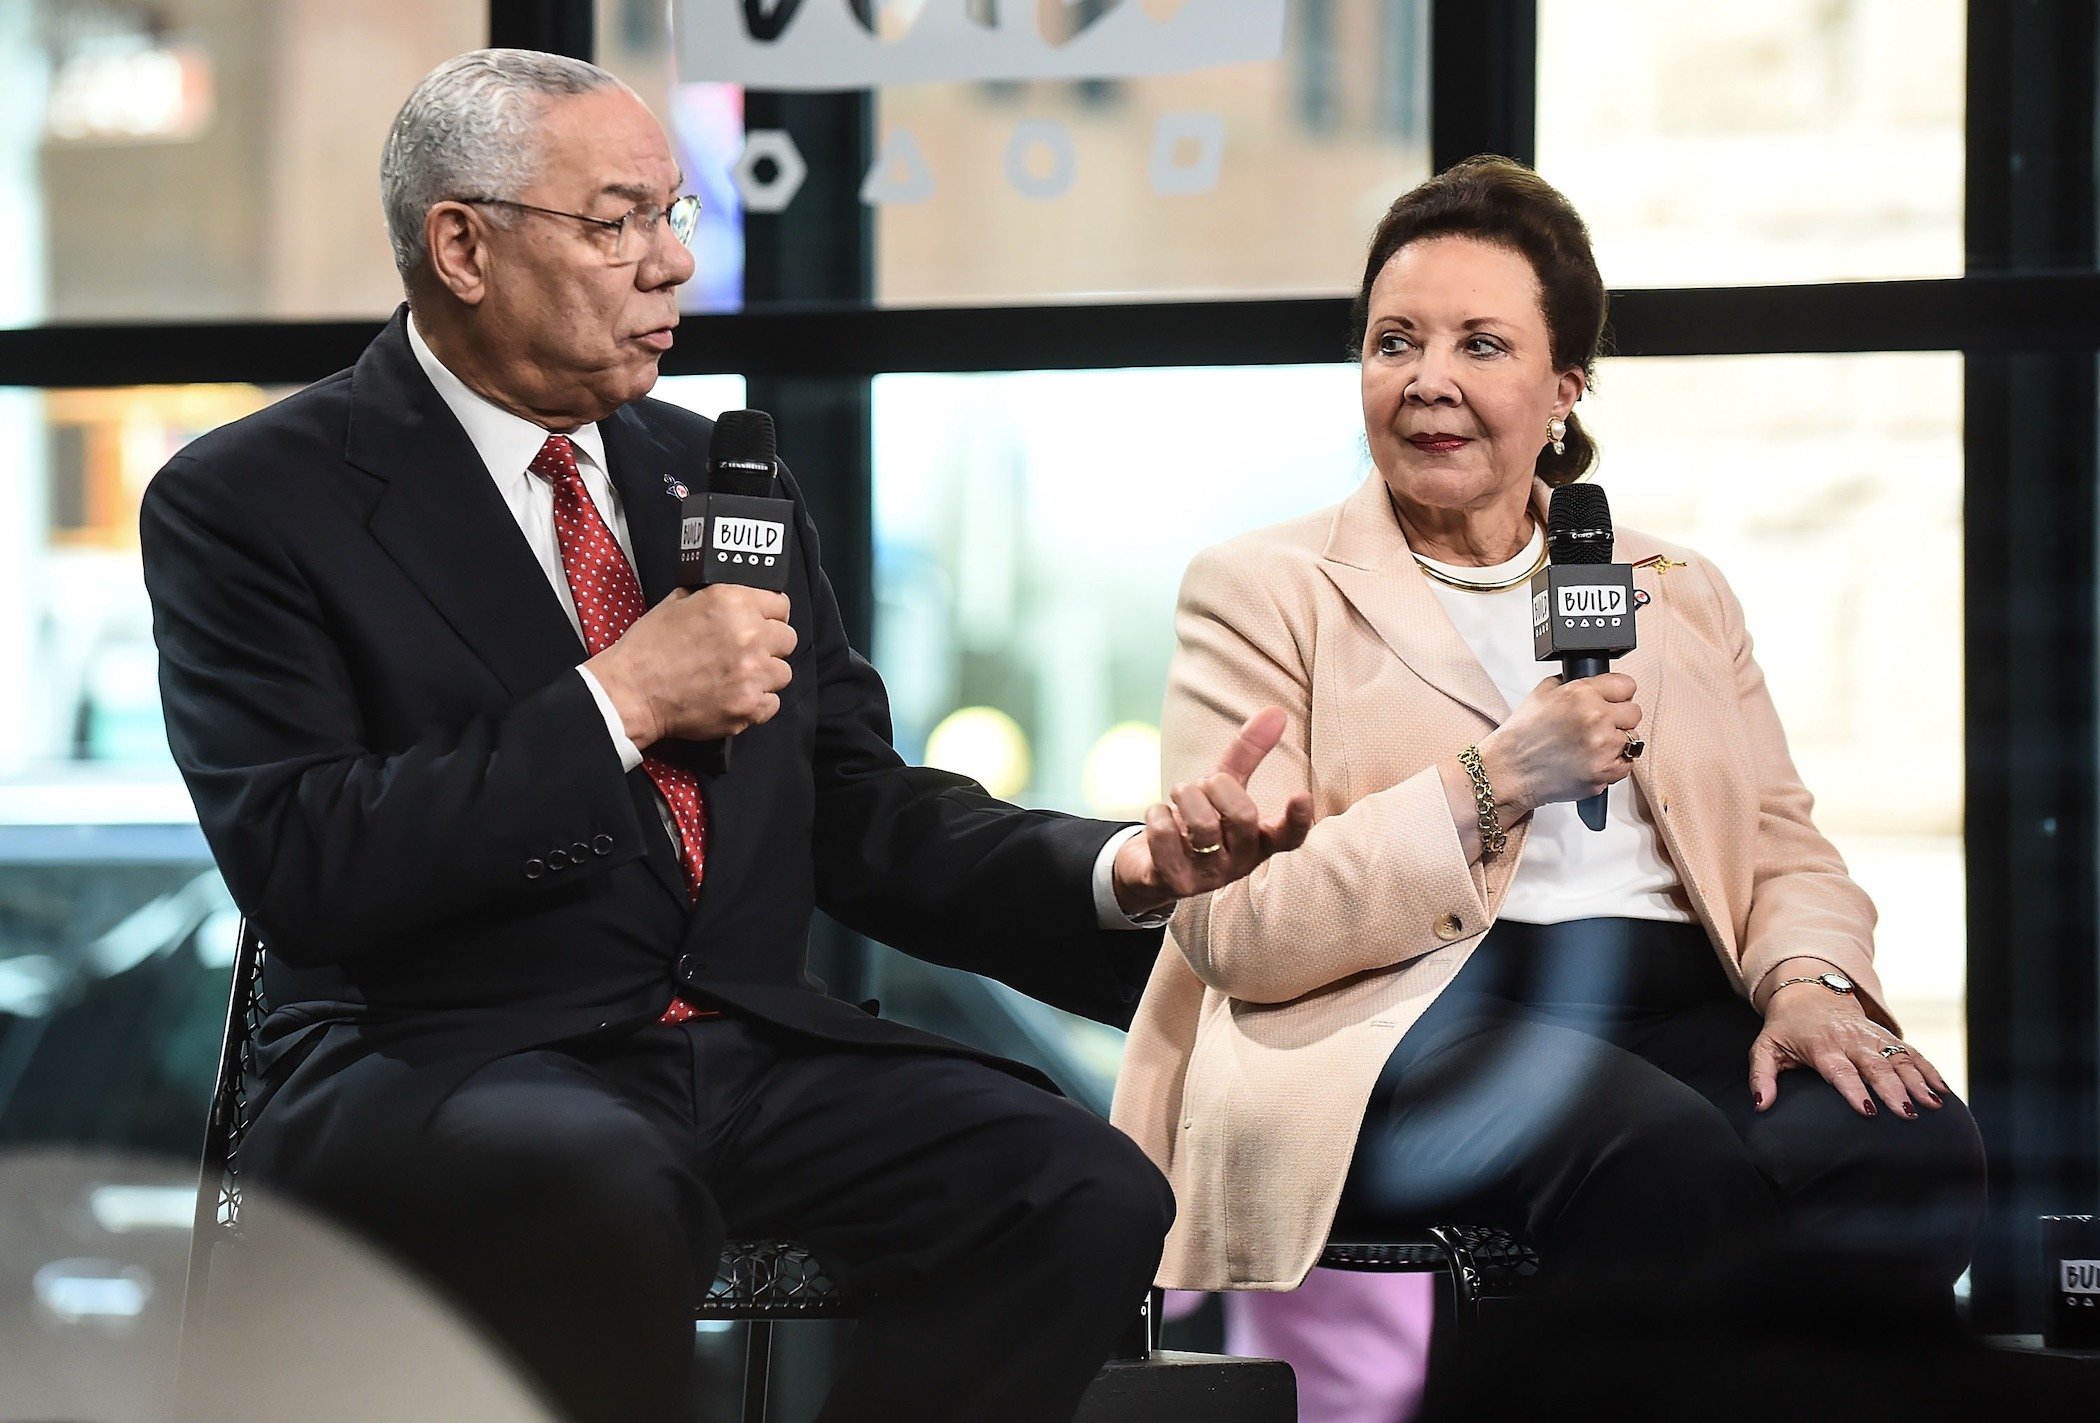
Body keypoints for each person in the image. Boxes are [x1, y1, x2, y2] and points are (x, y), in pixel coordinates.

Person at [141, 50, 1310, 1423]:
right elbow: (309, 860)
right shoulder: (253, 501)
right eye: (616, 220)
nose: (670, 266)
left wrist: (1127, 864)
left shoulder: (710, 471)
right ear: (461, 244)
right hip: (445, 1057)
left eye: (674, 217)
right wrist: (620, 701)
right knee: (601, 1187)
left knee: (1083, 1187)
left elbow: (860, 813)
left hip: (741, 1047)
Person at [1110, 156, 1987, 1341]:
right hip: (1410, 1014)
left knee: (1908, 1146)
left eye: (1480, 345)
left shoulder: (1676, 591)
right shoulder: (1265, 588)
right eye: (1393, 343)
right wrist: (1499, 778)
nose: (1427, 381)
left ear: (1565, 384)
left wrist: (1809, 984)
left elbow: (1783, 844)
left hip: (1680, 1002)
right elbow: (1239, 933)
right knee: (1656, 1165)